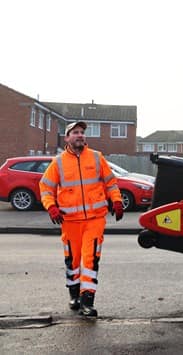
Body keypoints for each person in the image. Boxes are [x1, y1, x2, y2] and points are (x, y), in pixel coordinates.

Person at [39, 121, 124, 317]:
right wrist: (51, 207)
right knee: (73, 260)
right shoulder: (58, 162)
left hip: (95, 219)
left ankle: (87, 301)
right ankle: (74, 295)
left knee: (90, 259)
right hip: (69, 221)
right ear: (67, 138)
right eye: (75, 132)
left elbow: (111, 182)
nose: (80, 135)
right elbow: (45, 187)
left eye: (82, 132)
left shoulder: (96, 157)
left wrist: (117, 201)